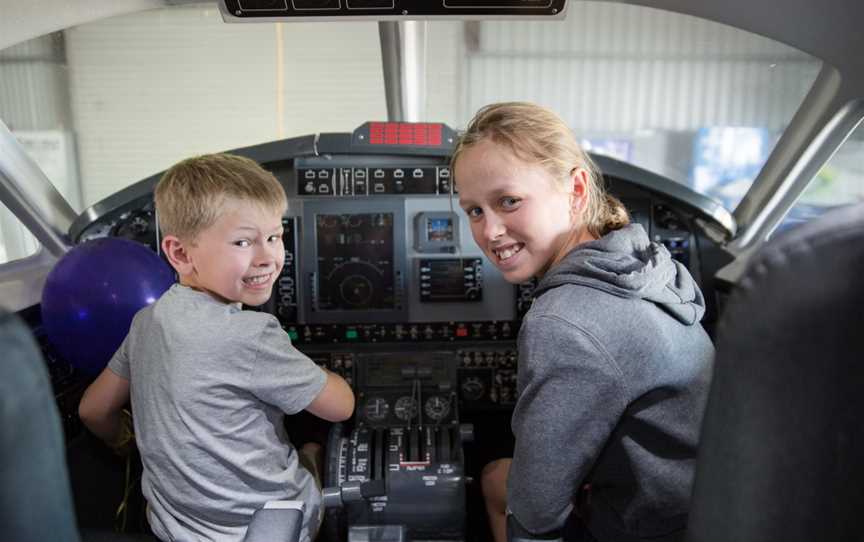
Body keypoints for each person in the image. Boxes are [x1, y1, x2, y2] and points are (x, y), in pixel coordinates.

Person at [451, 102, 714, 542]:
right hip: (703, 504)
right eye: (474, 211)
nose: (490, 231)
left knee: (504, 488)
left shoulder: (566, 321)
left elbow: (536, 512)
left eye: (509, 201)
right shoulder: (637, 260)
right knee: (499, 477)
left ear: (575, 188)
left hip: (651, 528)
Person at [78, 153, 355, 542]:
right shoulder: (252, 334)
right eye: (243, 241)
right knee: (315, 443)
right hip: (263, 530)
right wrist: (321, 372)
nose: (268, 258)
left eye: (274, 236)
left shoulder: (145, 322)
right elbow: (341, 405)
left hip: (174, 528)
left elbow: (93, 410)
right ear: (180, 254)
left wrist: (124, 443)